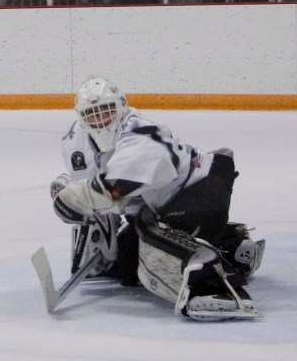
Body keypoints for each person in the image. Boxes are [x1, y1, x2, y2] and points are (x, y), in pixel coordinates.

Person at [50, 77, 265, 321]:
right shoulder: (75, 142)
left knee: (156, 245)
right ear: (81, 116)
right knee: (128, 270)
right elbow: (103, 200)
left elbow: (114, 190)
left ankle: (217, 288)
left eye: (106, 111)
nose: (100, 119)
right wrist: (79, 204)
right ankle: (232, 245)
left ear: (122, 107)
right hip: (161, 205)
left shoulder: (140, 132)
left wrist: (75, 196)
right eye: (92, 114)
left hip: (201, 189)